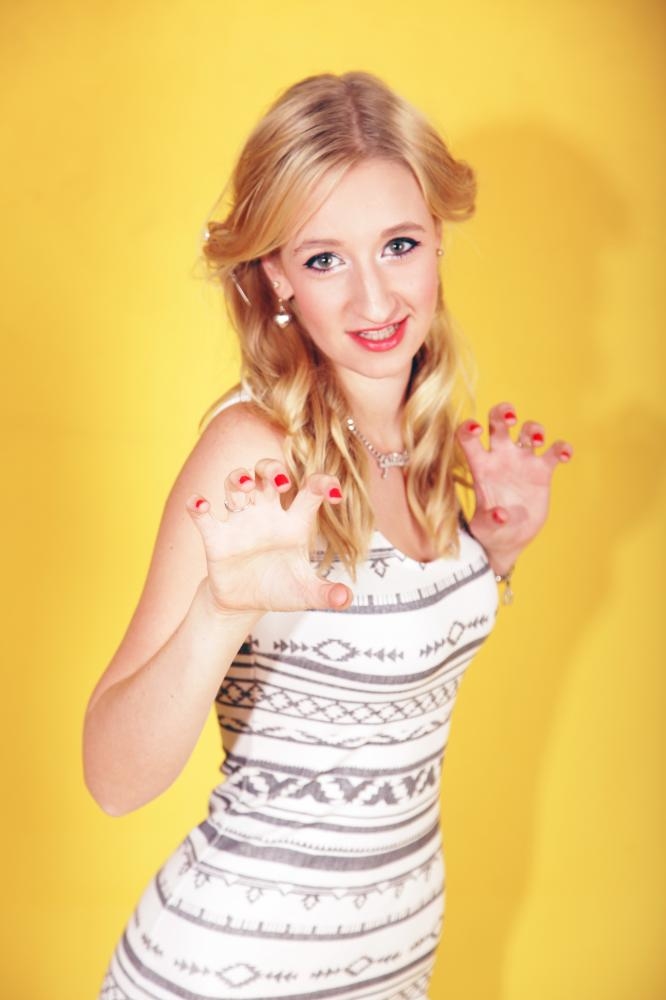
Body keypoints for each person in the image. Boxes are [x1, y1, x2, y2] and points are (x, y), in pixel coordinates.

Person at [84, 71, 572, 1000]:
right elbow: (112, 780)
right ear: (276, 275)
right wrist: (219, 610)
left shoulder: (419, 433)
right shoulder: (255, 450)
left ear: (436, 240)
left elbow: (387, 689)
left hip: (391, 962)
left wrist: (492, 551)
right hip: (233, 970)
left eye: (398, 245)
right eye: (323, 260)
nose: (373, 300)